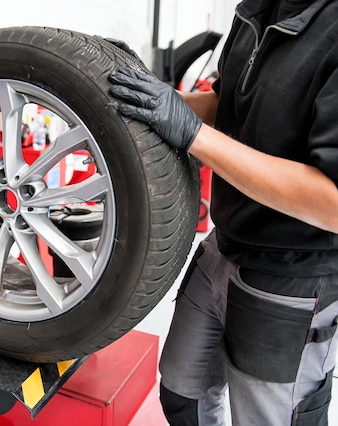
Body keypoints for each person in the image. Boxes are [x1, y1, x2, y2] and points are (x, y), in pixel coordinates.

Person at [108, 0, 338, 424]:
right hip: (224, 244)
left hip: (290, 276)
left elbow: (333, 203)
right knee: (183, 395)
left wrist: (193, 135)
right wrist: (145, 96)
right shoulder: (256, 10)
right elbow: (225, 104)